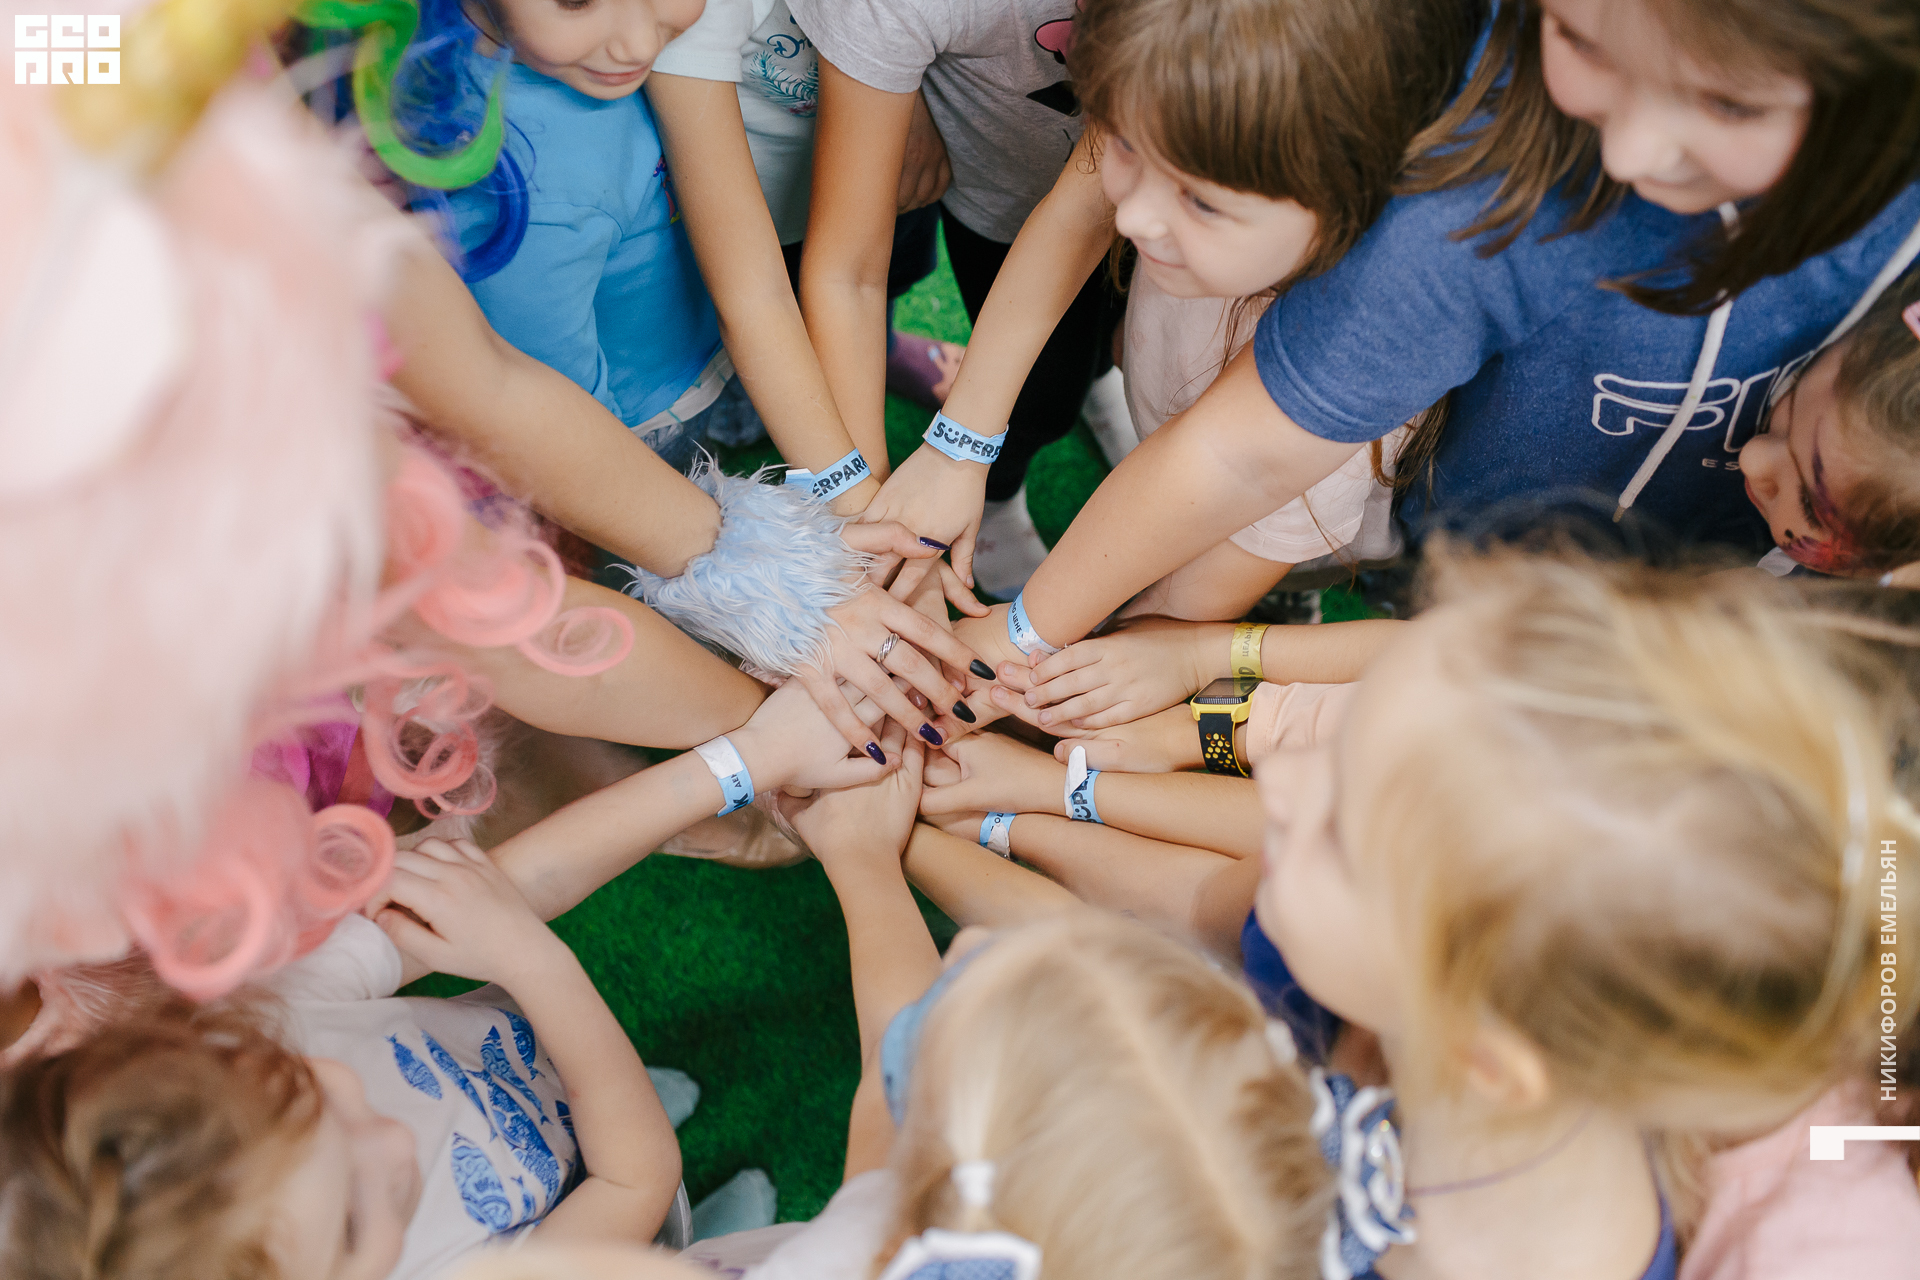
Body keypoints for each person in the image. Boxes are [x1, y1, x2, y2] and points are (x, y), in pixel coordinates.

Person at [970, 0, 1920, 685]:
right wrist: (1023, 637)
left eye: (1728, 104)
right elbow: (1244, 451)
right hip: (1460, 550)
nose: (1629, 153)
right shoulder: (1497, 159)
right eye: (1579, 39)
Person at [672, 727, 1335, 1280]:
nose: (971, 942)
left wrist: (858, 849)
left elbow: (886, 1068)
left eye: (956, 986)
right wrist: (934, 832)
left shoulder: (847, 1251)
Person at [900, 0, 1475, 611]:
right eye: (1125, 143)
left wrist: (1066, 640)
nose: (1130, 219)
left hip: (1257, 537)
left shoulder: (1346, 412)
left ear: (1349, 202)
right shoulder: (1209, 161)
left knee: (1216, 566)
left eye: (1200, 201)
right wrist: (958, 448)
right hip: (1179, 400)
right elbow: (1077, 213)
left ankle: (1285, 603)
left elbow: (1195, 595)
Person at [792, 0, 1129, 595]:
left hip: (1131, 200)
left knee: (1115, 337)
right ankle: (1000, 498)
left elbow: (1096, 195)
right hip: (1004, 208)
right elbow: (848, 274)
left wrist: (958, 448)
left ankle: (1098, 378)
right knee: (1042, 397)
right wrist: (884, 514)